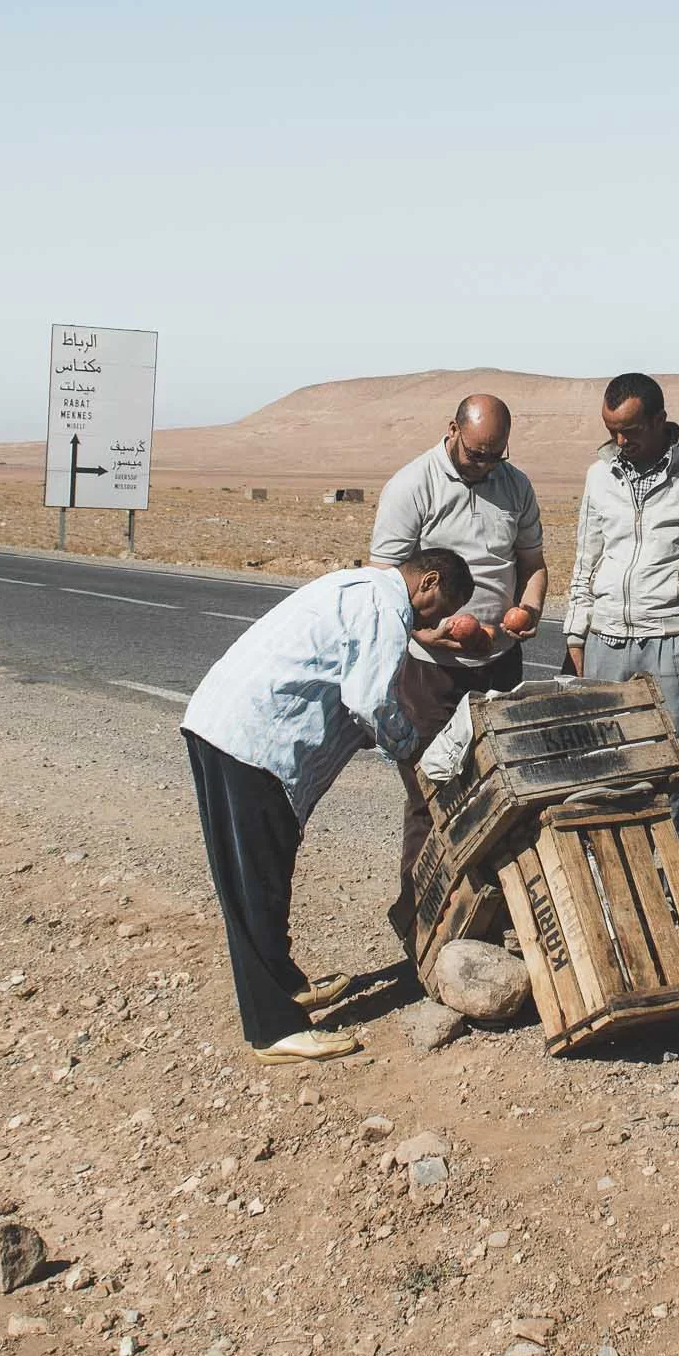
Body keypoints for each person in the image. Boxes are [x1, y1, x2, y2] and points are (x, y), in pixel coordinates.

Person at [180, 549, 473, 1062]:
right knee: (257, 882)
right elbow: (370, 700)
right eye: (437, 609)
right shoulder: (385, 609)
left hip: (223, 724)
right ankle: (274, 1028)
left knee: (257, 872)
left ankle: (285, 985)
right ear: (428, 582)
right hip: (258, 747)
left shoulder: (361, 587)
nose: (435, 621)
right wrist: (415, 750)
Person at [369, 394, 548, 947]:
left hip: (498, 662)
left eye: (497, 455)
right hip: (431, 671)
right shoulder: (411, 486)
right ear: (452, 431)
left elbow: (533, 566)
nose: (486, 465)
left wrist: (530, 610)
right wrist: (433, 633)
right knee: (433, 793)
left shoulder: (515, 485)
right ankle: (420, 926)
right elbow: (385, 589)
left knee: (506, 791)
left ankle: (494, 918)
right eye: (477, 455)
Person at [563, 371, 679, 892]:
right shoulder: (599, 474)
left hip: (675, 638)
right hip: (607, 638)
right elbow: (587, 554)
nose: (621, 441)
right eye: (612, 430)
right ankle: (617, 892)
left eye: (631, 429)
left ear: (659, 421)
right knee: (606, 772)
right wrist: (575, 631)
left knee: (678, 773)